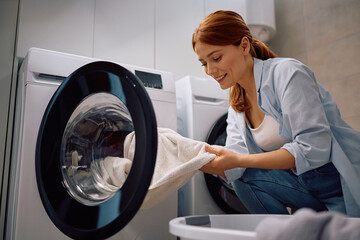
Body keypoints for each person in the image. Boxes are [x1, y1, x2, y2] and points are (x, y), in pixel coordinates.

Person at [193, 10, 360, 217]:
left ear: (244, 45)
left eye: (216, 58)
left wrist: (238, 161)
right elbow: (235, 163)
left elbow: (314, 148)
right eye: (203, 63)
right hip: (303, 185)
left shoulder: (287, 73)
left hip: (338, 183)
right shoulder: (237, 104)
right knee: (242, 178)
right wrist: (195, 161)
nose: (210, 70)